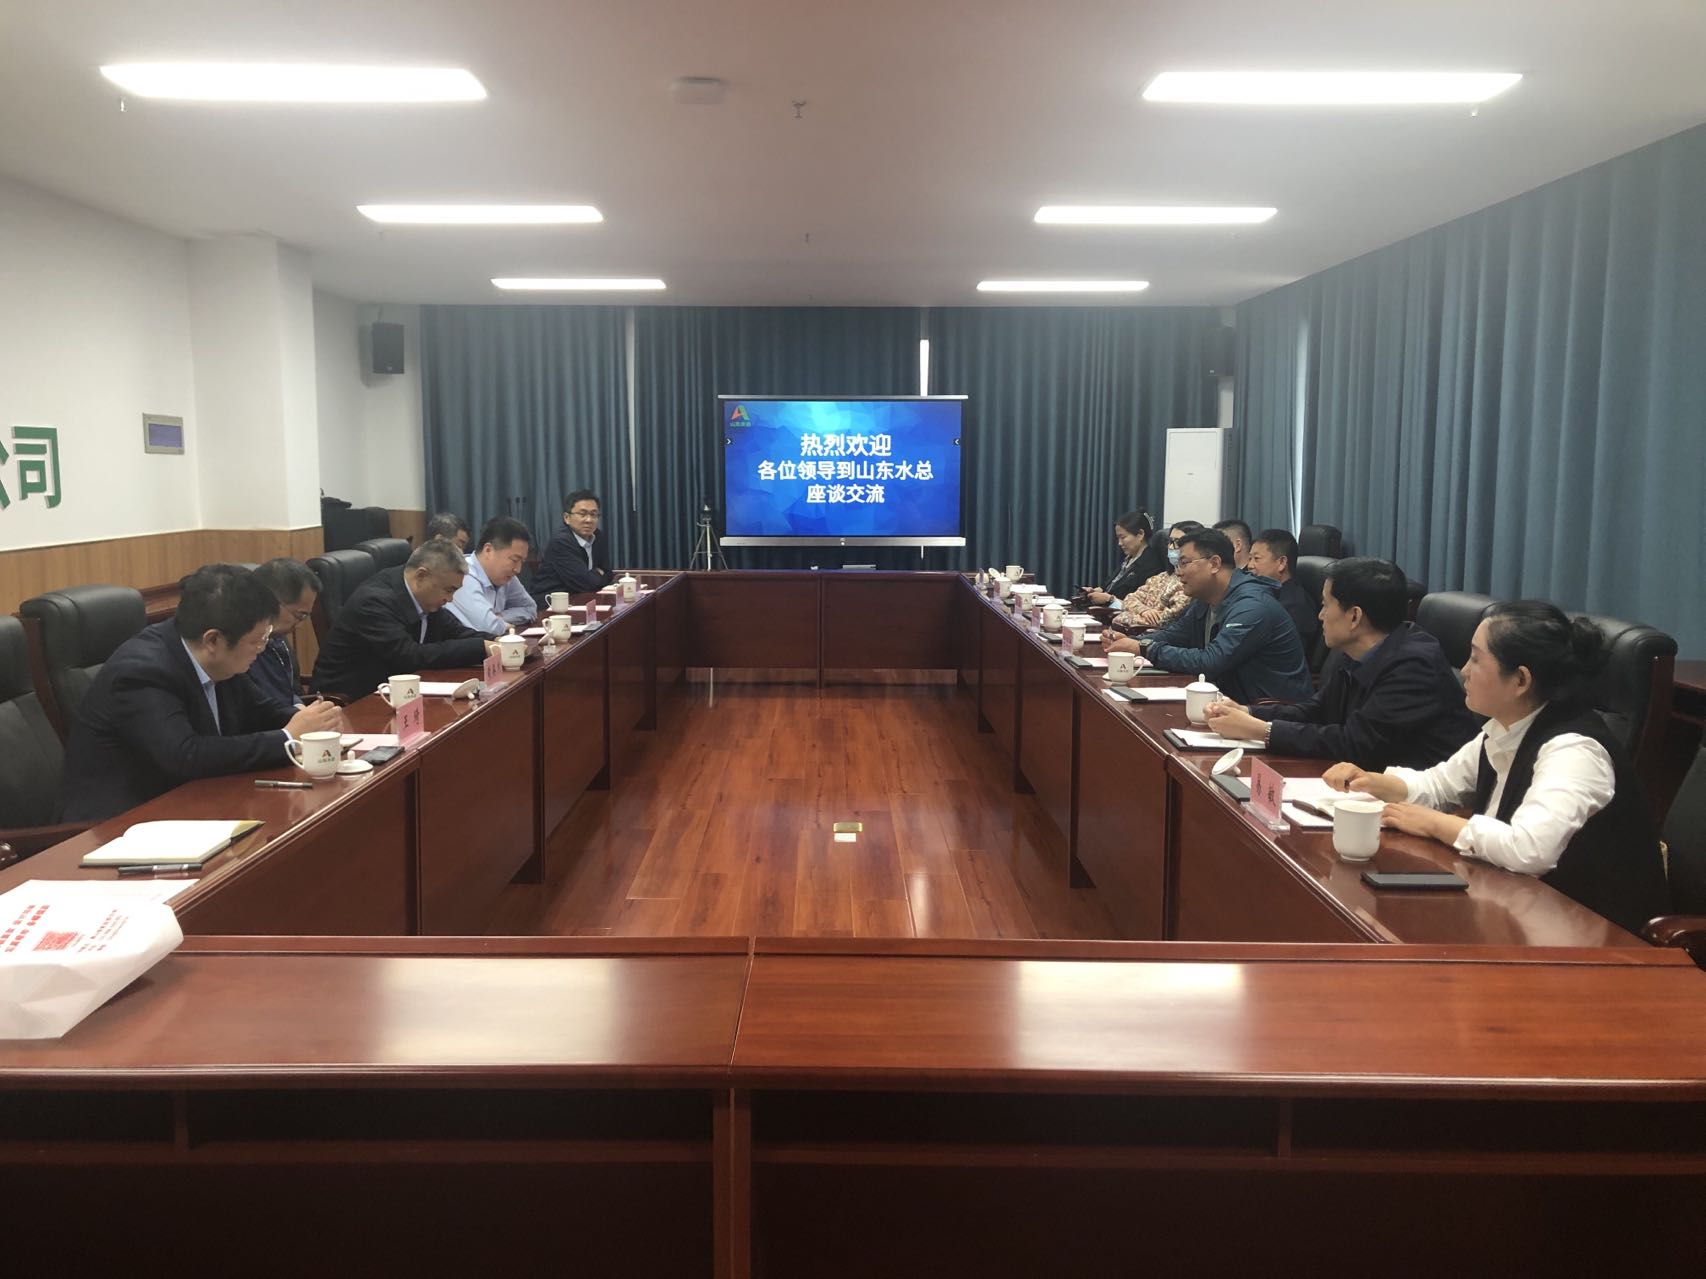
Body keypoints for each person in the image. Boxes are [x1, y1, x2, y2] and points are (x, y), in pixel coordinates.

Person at [1323, 601, 1668, 935]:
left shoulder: (1574, 750)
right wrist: (1374, 782)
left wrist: (1436, 823)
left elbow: (1529, 849)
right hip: (1518, 911)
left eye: (1475, 658)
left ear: (1521, 680)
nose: (1464, 670)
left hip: (1594, 938)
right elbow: (1441, 785)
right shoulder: (1505, 728)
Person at [61, 564, 344, 823]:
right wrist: (287, 738)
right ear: (213, 640)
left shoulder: (218, 659)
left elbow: (259, 710)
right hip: (120, 825)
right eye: (258, 641)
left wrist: (310, 723)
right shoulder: (142, 672)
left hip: (193, 802)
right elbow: (185, 755)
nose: (262, 649)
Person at [1204, 557, 1479, 767]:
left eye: (1325, 605)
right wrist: (1248, 712)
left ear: (1354, 616)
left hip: (1420, 802)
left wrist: (1262, 730)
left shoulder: (1414, 665)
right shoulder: (1357, 651)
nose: (1320, 615)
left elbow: (1356, 743)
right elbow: (1318, 710)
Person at [1108, 527, 1312, 703]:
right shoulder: (1206, 597)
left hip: (1268, 712)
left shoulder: (1252, 606)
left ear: (1214, 564)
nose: (1178, 572)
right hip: (1226, 701)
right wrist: (1133, 642)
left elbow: (1211, 661)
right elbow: (1176, 634)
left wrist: (1146, 649)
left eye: (1184, 563)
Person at [311, 539, 493, 701]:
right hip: (349, 702)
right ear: (421, 576)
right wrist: (479, 647)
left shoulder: (424, 597)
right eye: (449, 590)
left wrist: (496, 641)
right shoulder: (374, 602)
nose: (450, 599)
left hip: (396, 694)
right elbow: (409, 656)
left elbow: (454, 631)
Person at [241, 557, 322, 717]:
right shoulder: (239, 647)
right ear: (272, 602)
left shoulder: (277, 638)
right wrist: (299, 717)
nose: (299, 625)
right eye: (300, 615)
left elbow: (289, 692)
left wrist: (300, 708)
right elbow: (257, 710)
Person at [447, 516, 539, 636]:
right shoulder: (462, 575)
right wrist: (498, 622)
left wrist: (500, 617)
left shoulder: (507, 576)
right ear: (488, 550)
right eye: (514, 560)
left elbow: (530, 608)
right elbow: (488, 627)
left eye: (522, 562)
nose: (518, 569)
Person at [1110, 520, 1202, 631]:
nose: (1171, 546)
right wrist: (1143, 610)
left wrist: (1125, 616)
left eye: (1178, 542)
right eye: (1170, 541)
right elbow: (1129, 599)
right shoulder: (1161, 577)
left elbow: (1165, 620)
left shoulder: (1190, 582)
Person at [1247, 528, 1320, 653]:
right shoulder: (1265, 595)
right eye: (1249, 558)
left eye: (1256, 558)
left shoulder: (1295, 607)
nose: (1250, 565)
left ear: (1282, 563)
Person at [533, 489, 611, 598]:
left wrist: (594, 577)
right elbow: (584, 583)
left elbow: (608, 573)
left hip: (583, 598)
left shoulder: (598, 536)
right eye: (582, 514)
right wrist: (597, 574)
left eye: (594, 514)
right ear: (567, 518)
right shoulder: (561, 542)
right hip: (551, 601)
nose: (589, 520)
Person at [1081, 510, 1167, 607]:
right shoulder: (1128, 560)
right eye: (1118, 538)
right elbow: (1111, 586)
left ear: (1140, 534)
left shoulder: (1151, 565)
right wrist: (1096, 591)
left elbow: (1142, 603)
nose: (1120, 543)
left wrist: (1109, 599)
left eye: (1123, 537)